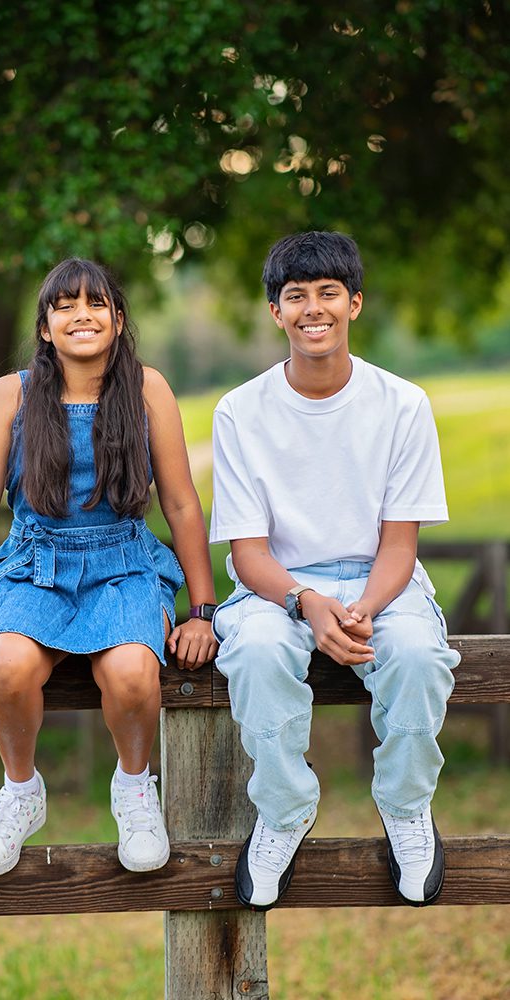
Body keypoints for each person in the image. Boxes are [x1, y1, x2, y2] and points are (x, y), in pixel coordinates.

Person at [0, 257, 217, 876]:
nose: (82, 314)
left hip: (123, 564)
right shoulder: (11, 395)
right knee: (5, 665)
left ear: (118, 317)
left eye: (96, 303)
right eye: (65, 305)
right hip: (36, 563)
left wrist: (202, 611)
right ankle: (21, 790)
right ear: (45, 325)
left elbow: (182, 503)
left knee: (135, 671)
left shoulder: (147, 389)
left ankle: (134, 787)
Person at [210, 231, 460, 911]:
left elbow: (399, 546)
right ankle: (285, 809)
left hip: (383, 579)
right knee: (256, 651)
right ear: (275, 312)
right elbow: (247, 554)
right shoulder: (239, 411)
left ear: (354, 303)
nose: (311, 309)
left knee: (412, 653)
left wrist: (361, 609)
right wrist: (306, 602)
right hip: (279, 585)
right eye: (295, 296)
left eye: (326, 293)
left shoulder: (401, 404)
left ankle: (406, 805)